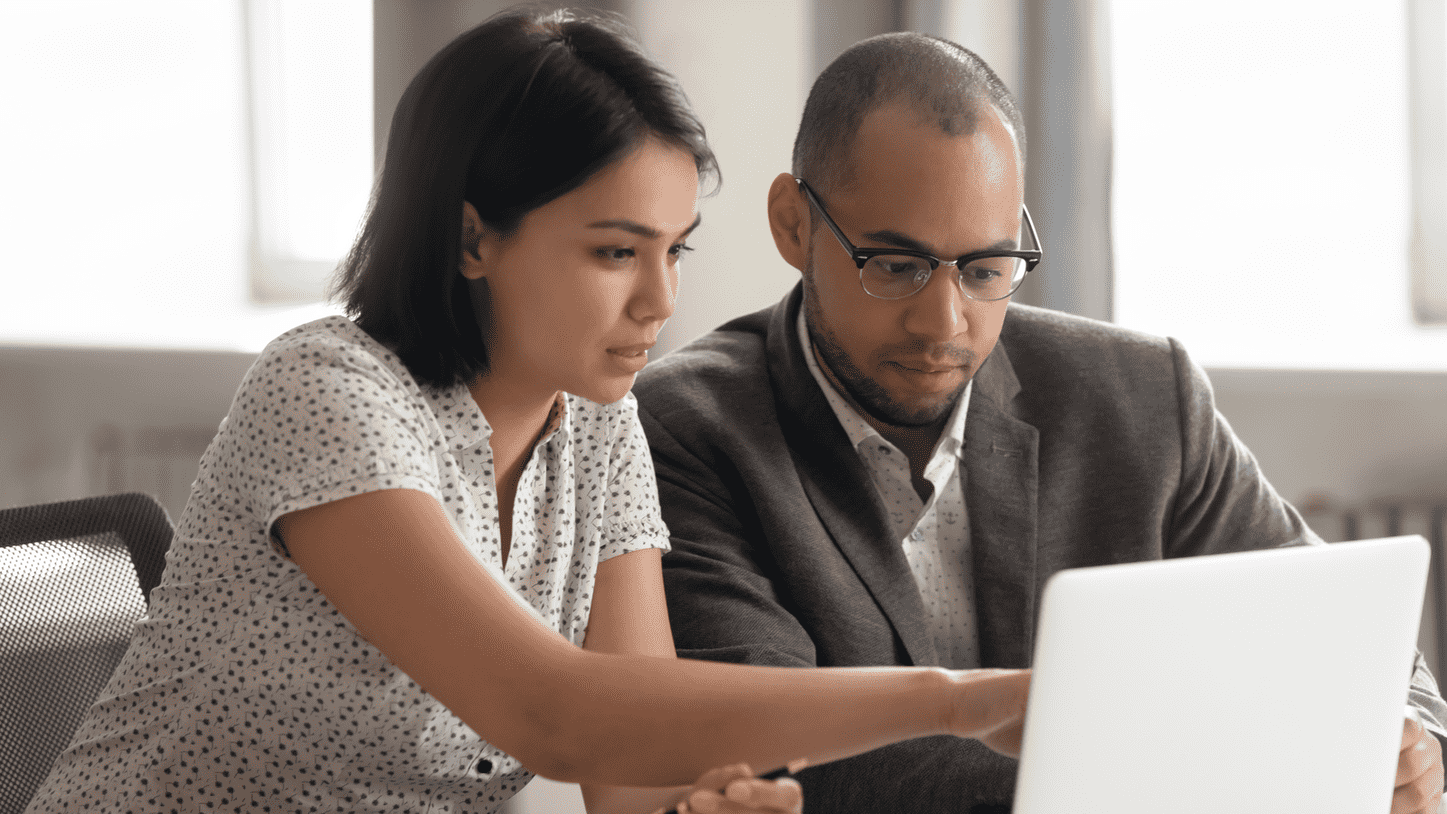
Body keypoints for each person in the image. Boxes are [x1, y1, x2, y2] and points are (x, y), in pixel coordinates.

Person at [22, 12, 1033, 814]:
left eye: (673, 249)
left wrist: (696, 804)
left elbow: (626, 779)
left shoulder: (599, 426)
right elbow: (556, 710)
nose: (660, 300)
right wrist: (958, 700)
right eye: (613, 251)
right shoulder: (324, 392)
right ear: (473, 237)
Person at [633, 31, 1447, 814]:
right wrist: (1164, 761)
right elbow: (767, 760)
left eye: (987, 270)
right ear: (793, 225)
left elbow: (1340, 639)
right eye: (897, 267)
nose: (943, 324)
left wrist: (1410, 737)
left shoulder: (1141, 394)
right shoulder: (686, 430)